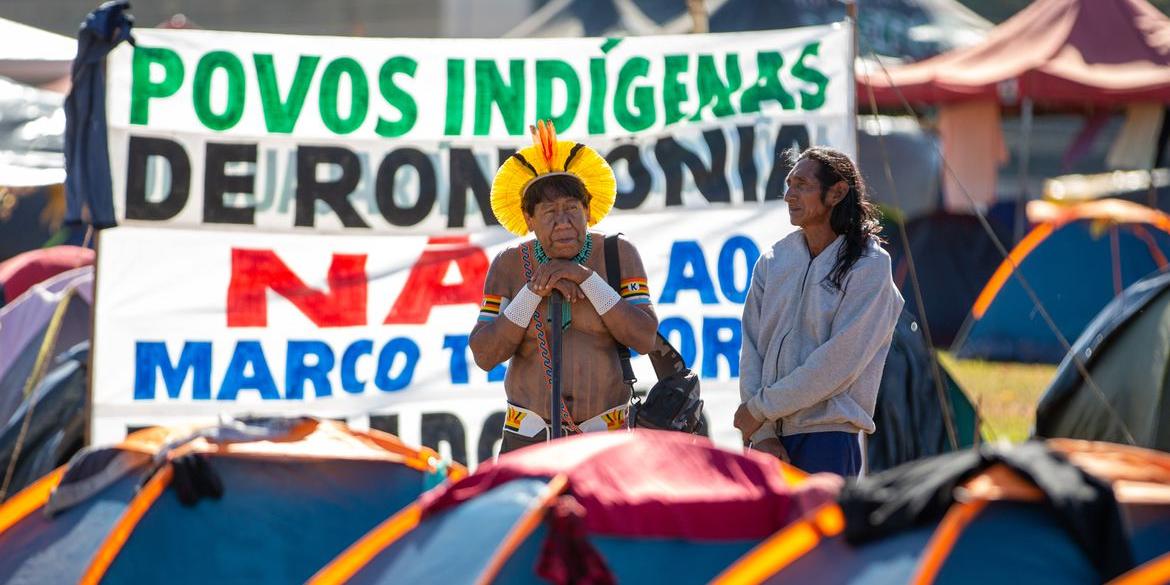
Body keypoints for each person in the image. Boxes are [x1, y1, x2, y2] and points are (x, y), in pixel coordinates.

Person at [470, 121, 659, 454]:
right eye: (549, 212)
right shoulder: (510, 265)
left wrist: (587, 278)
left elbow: (644, 338)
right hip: (528, 440)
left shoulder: (618, 254)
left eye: (572, 208)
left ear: (587, 210)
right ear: (528, 219)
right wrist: (532, 292)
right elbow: (485, 355)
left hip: (606, 440)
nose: (563, 222)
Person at [734, 146, 903, 477]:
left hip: (828, 439)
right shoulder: (772, 261)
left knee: (820, 530)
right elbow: (751, 347)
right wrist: (763, 432)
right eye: (788, 184)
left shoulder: (870, 265)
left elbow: (839, 361)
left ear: (837, 192)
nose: (788, 196)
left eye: (802, 185)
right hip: (767, 443)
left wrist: (759, 409)